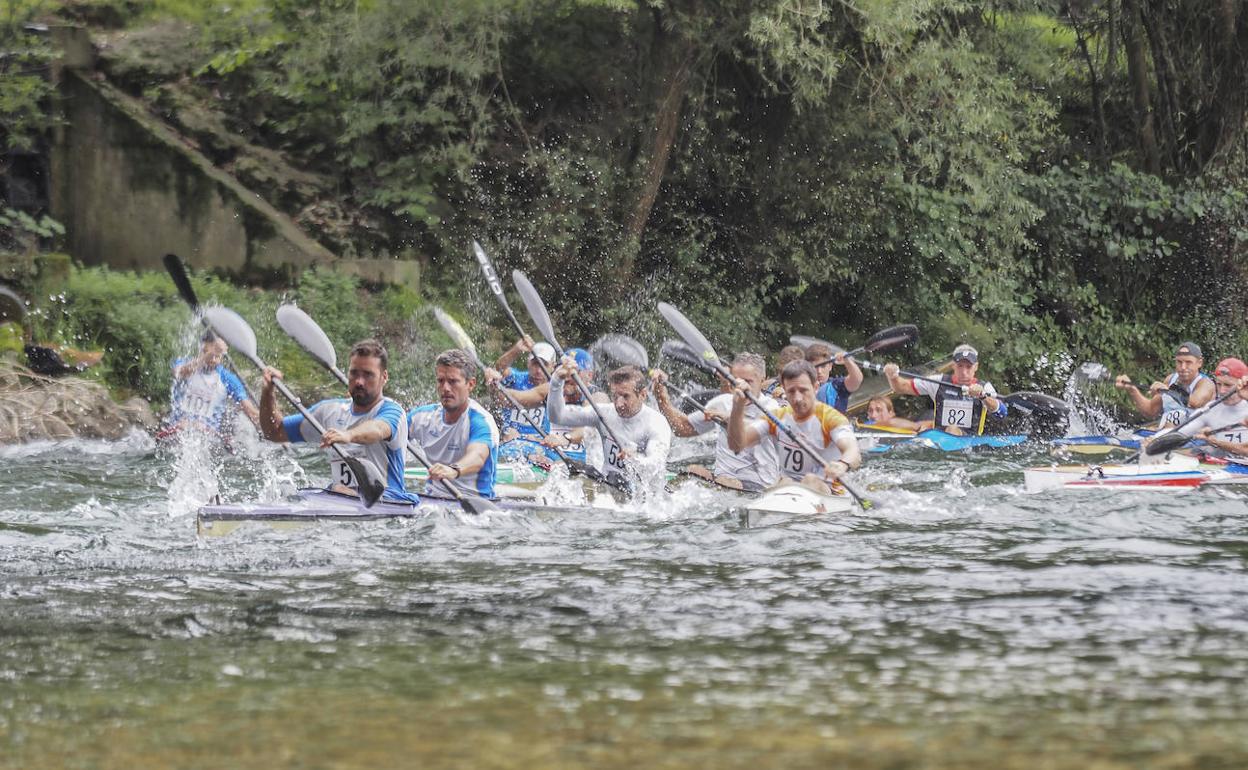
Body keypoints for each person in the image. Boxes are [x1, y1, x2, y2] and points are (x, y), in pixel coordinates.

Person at [259, 339, 416, 503]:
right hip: (340, 500)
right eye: (354, 373)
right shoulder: (329, 411)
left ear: (384, 377)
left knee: (339, 490)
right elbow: (273, 432)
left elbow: (377, 430)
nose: (359, 381)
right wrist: (268, 393)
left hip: (388, 503)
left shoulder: (392, 411)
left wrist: (348, 435)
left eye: (368, 374)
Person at [726, 359, 861, 495]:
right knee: (784, 482)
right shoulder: (777, 417)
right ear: (784, 390)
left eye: (803, 390)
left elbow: (853, 452)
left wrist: (843, 464)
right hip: (789, 488)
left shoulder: (831, 418)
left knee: (810, 480)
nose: (797, 398)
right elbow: (736, 444)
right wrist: (738, 406)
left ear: (815, 387)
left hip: (829, 491)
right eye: (791, 391)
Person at [651, 352, 780, 492]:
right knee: (693, 471)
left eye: (748, 382)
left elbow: (753, 432)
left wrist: (728, 418)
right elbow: (682, 428)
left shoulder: (771, 407)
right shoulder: (723, 402)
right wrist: (661, 396)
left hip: (760, 486)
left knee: (726, 482)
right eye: (737, 380)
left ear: (763, 380)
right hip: (722, 481)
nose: (741, 387)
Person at [547, 360, 671, 487]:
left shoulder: (657, 423)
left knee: (617, 480)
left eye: (625, 396)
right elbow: (557, 416)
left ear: (643, 394)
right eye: (615, 396)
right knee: (573, 471)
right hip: (607, 485)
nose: (619, 404)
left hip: (641, 492)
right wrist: (557, 380)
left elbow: (655, 465)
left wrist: (635, 459)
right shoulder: (604, 413)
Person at [408, 349, 500, 499]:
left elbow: (477, 456)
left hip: (474, 502)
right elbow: (389, 432)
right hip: (431, 499)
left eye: (453, 381)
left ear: (471, 384)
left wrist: (453, 470)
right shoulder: (422, 417)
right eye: (440, 381)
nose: (445, 388)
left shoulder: (481, 421)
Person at [882, 344, 1006, 436]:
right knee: (928, 429)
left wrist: (983, 396)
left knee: (951, 428)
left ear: (976, 367)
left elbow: (1002, 413)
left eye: (968, 367)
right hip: (939, 438)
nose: (964, 372)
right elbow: (901, 387)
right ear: (953, 365)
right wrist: (892, 376)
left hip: (969, 441)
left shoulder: (985, 387)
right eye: (960, 366)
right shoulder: (938, 382)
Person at [161, 331, 259, 441]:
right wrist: (211, 353)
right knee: (185, 425)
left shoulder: (228, 379)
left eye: (216, 355)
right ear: (200, 350)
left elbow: (250, 411)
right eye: (207, 353)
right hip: (177, 432)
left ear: (222, 355)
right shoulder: (184, 363)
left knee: (199, 427)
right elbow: (179, 373)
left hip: (208, 437)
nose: (212, 359)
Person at [485, 337, 557, 458]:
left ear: (553, 366)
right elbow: (499, 368)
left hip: (538, 446)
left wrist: (497, 388)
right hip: (509, 441)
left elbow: (521, 398)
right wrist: (516, 350)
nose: (538, 370)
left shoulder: (554, 387)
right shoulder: (515, 378)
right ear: (528, 363)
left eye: (544, 365)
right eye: (535, 364)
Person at [1115, 341, 1215, 428]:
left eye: (1188, 362)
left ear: (1199, 363)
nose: (1183, 367)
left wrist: (1167, 390)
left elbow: (1194, 402)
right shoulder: (1170, 379)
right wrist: (1132, 389)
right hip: (1166, 434)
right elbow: (1151, 411)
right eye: (1179, 362)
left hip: (1193, 438)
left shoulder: (1206, 384)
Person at [1176, 358, 1248, 455]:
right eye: (1219, 384)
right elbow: (1181, 433)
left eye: (1228, 385)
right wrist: (1156, 440)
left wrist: (1215, 442)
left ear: (1242, 385)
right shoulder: (1211, 408)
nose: (1222, 391)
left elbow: (1245, 450)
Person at [805, 342, 864, 414]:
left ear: (830, 366)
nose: (819, 371)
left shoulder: (837, 386)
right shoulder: (801, 388)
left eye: (823, 366)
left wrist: (847, 361)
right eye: (815, 367)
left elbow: (857, 380)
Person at [857, 395, 921, 432]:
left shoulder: (900, 425)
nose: (873, 415)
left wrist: (887, 423)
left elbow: (916, 427)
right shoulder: (864, 428)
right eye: (870, 411)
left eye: (878, 410)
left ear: (891, 413)